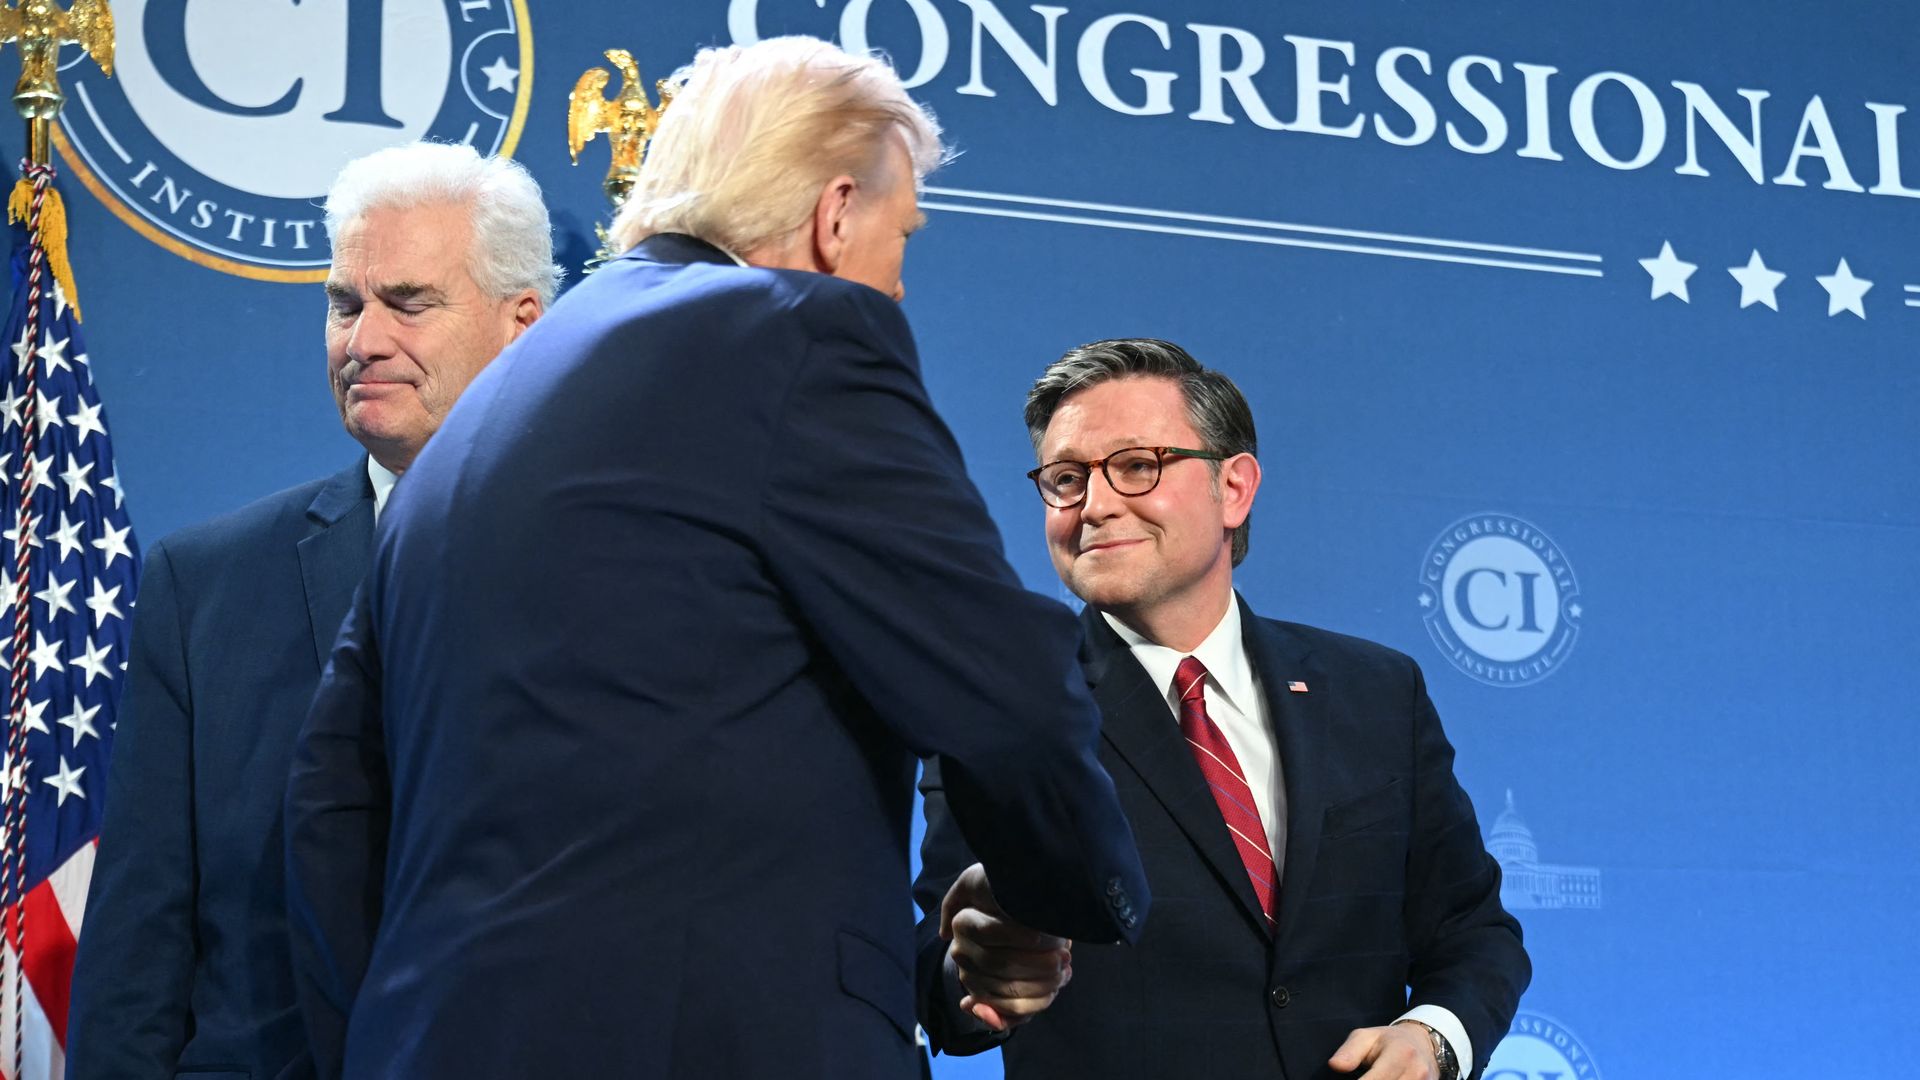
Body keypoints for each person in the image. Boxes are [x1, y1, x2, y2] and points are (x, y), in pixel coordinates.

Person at [283, 36, 1148, 1079]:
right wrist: (1054, 899)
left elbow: (333, 802)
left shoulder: (481, 415)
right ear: (835, 215)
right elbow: (1004, 690)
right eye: (903, 237)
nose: (898, 287)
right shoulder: (799, 335)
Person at [66, 142, 555, 1079]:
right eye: (343, 304)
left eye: (408, 303)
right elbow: (137, 960)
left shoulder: (619, 576)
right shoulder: (203, 588)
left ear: (520, 324)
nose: (363, 340)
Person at [916, 339, 1530, 1080]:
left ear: (1233, 487)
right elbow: (940, 967)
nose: (1095, 506)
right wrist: (984, 971)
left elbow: (1473, 930)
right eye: (1067, 479)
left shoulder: (1377, 692)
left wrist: (1434, 1037)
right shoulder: (1001, 711)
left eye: (1136, 466)